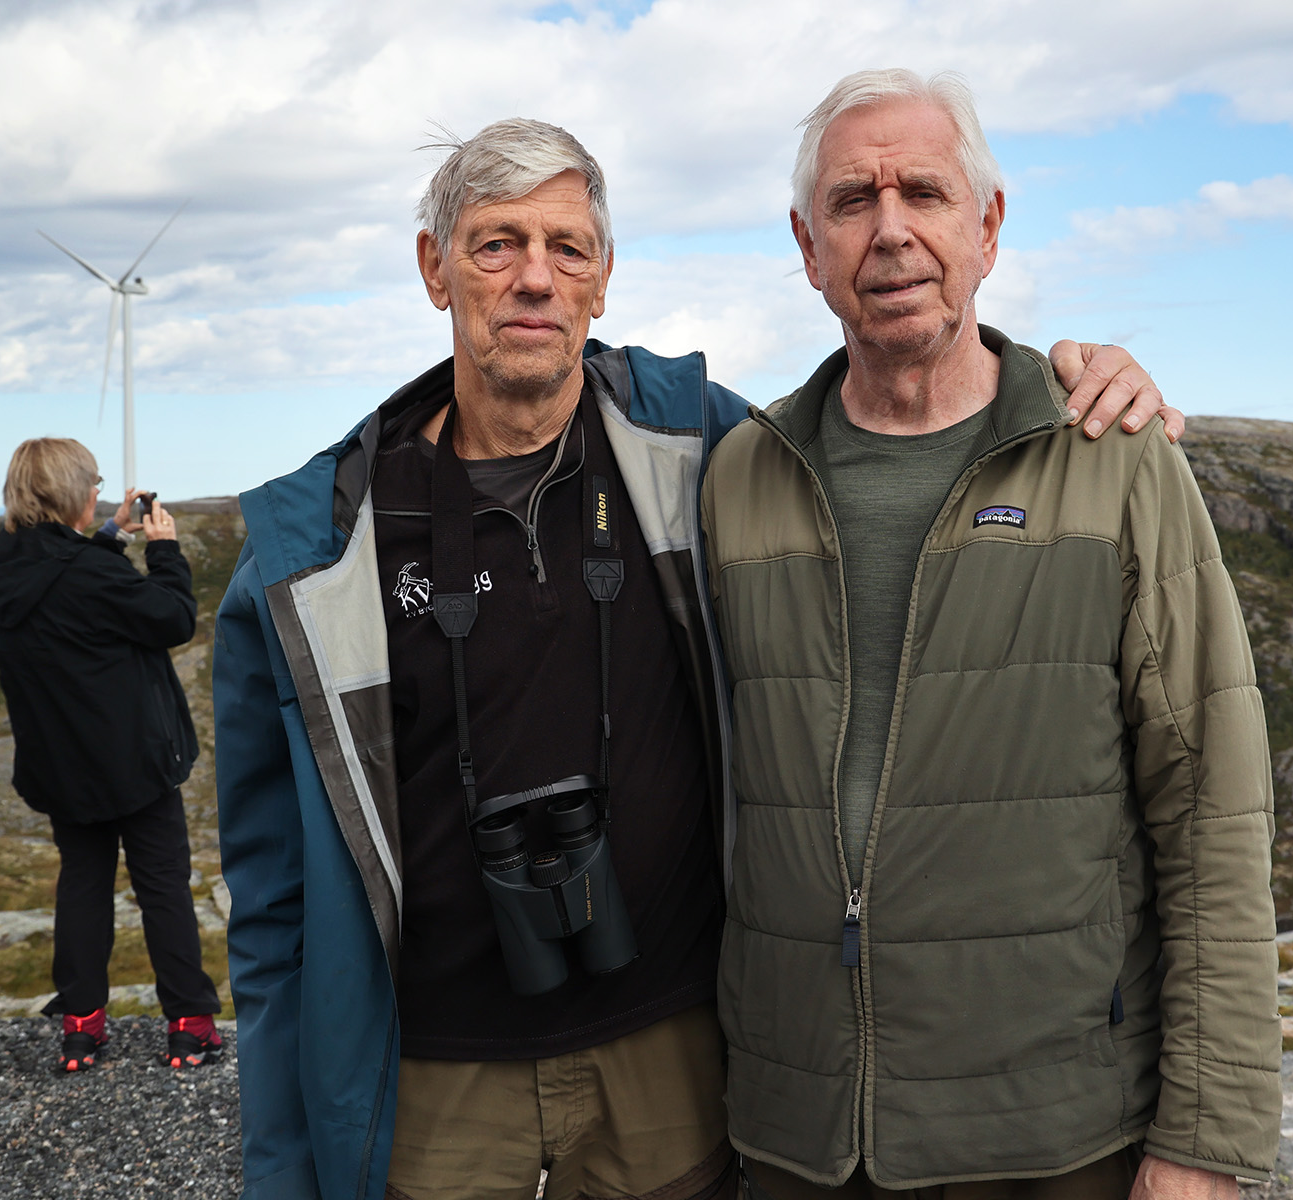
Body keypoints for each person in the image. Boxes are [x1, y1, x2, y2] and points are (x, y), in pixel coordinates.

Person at [212, 117, 1178, 1200]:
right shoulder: (318, 554)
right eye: (496, 244)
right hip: (435, 1075)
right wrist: (284, 1162)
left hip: (670, 1053)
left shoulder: (702, 451)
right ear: (434, 268)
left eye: (568, 248)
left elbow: (899, 411)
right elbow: (273, 905)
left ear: (605, 279)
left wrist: (1065, 378)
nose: (536, 278)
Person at [699, 69, 1281, 1199]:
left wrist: (1206, 1139)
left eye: (924, 191)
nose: (891, 231)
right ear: (807, 244)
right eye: (851, 202)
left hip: (1052, 1136)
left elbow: (1214, 804)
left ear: (989, 226)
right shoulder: (741, 476)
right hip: (796, 1136)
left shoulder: (1114, 460)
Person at [0, 438, 223, 1073]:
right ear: (69, 491)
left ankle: (82, 1027)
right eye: (94, 484)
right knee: (162, 886)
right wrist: (162, 551)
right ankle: (189, 1026)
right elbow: (171, 619)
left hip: (61, 766)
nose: (98, 493)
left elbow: (64, 581)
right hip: (133, 763)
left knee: (82, 886)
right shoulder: (89, 572)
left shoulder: (2, 568)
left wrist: (109, 534)